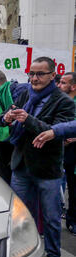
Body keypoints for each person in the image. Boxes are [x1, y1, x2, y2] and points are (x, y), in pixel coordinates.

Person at [1, 57, 75, 257]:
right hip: (21, 166)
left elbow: (58, 130)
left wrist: (28, 119)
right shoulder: (24, 94)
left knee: (52, 218)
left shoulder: (62, 101)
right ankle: (25, 255)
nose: (34, 78)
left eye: (40, 74)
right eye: (31, 73)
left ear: (53, 76)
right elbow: (6, 117)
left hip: (46, 170)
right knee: (21, 217)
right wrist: (7, 118)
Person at [32, 72, 76, 236]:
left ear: (73, 87)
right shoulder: (54, 101)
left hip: (70, 153)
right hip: (53, 154)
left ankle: (69, 220)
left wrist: (60, 133)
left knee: (70, 187)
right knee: (55, 189)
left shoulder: (68, 104)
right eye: (59, 82)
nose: (59, 85)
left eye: (63, 83)